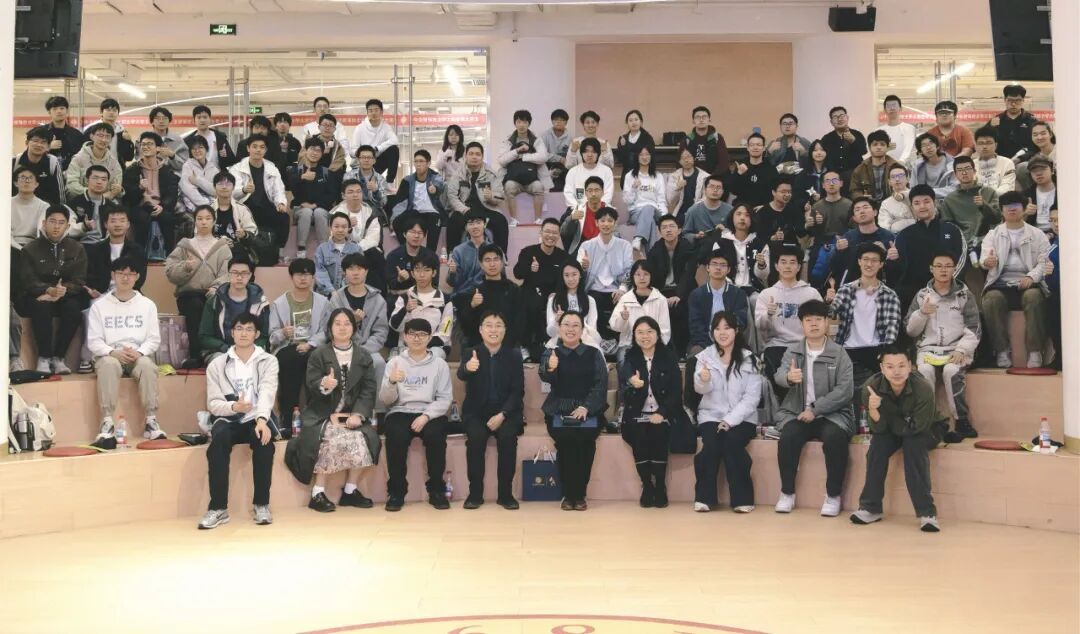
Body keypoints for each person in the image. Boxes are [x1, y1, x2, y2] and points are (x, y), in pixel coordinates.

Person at [850, 345, 948, 533]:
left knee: (913, 446)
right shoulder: (871, 387)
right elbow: (878, 430)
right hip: (894, 428)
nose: (896, 372)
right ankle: (870, 508)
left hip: (927, 427)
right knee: (876, 448)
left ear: (910, 366)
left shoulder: (923, 388)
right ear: (882, 368)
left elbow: (918, 427)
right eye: (890, 366)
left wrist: (889, 421)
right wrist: (873, 410)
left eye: (901, 366)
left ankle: (927, 513)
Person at [772, 300, 854, 517]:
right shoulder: (793, 351)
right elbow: (778, 376)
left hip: (832, 414)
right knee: (788, 437)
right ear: (802, 324)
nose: (814, 324)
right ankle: (787, 493)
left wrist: (815, 410)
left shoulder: (839, 353)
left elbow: (844, 391)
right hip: (797, 411)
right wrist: (788, 378)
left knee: (835, 439)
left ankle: (833, 496)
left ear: (827, 323)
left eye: (819, 319)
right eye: (809, 320)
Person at [293, 309, 379, 513]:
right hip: (321, 412)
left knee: (362, 438)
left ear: (354, 328)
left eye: (347, 323)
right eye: (337, 323)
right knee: (329, 438)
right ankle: (317, 493)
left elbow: (369, 389)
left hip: (352, 414)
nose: (342, 327)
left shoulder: (363, 356)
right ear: (330, 328)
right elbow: (311, 383)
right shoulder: (319, 354)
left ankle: (350, 491)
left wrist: (358, 414)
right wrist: (324, 383)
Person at [199, 312, 279, 530]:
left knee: (265, 442)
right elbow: (213, 404)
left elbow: (267, 392)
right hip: (228, 417)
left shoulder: (268, 361)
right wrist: (234, 407)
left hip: (255, 417)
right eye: (239, 328)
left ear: (257, 334)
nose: (244, 333)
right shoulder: (217, 364)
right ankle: (218, 508)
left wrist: (262, 419)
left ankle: (262, 504)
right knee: (218, 441)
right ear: (232, 333)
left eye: (249, 329)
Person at [86, 257, 166, 449]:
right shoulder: (99, 306)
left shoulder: (147, 304)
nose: (125, 278)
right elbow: (94, 341)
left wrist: (140, 352)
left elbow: (153, 339)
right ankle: (107, 422)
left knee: (147, 366)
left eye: (130, 274)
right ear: (113, 275)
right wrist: (112, 352)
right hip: (110, 355)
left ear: (137, 277)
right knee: (108, 365)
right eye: (121, 273)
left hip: (138, 354)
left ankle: (151, 421)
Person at [379, 318, 454, 511]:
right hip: (400, 410)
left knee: (436, 435)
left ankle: (436, 490)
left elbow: (445, 398)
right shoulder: (395, 362)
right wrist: (391, 382)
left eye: (422, 334)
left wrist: (426, 416)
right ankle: (396, 492)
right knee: (396, 435)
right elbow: (386, 400)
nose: (417, 338)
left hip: (429, 411)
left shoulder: (440, 365)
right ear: (404, 337)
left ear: (430, 338)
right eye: (412, 334)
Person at [906, 251, 981, 443]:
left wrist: (962, 349)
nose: (943, 270)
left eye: (948, 266)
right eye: (938, 266)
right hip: (927, 349)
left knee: (951, 371)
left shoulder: (964, 295)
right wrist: (922, 313)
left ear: (954, 269)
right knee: (924, 371)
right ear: (931, 269)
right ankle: (928, 421)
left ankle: (961, 421)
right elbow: (910, 331)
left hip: (956, 349)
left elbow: (974, 327)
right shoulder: (922, 295)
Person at [692, 311, 761, 513]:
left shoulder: (750, 359)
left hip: (743, 418)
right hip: (710, 415)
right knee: (711, 445)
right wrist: (703, 380)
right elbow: (700, 390)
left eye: (727, 328)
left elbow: (752, 398)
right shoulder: (704, 357)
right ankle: (704, 498)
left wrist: (730, 421)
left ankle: (742, 499)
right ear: (712, 332)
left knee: (732, 442)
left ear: (736, 330)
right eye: (717, 328)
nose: (722, 333)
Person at [539, 311, 608, 511]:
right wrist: (550, 368)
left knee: (585, 445)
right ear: (559, 328)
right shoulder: (551, 351)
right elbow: (545, 378)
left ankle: (580, 494)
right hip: (558, 408)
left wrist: (586, 407)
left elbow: (600, 384)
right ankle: (569, 494)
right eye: (566, 324)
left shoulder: (594, 353)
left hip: (588, 409)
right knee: (566, 443)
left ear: (582, 329)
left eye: (575, 325)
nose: (570, 329)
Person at [459, 311, 525, 510]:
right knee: (476, 439)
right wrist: (468, 368)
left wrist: (503, 415)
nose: (493, 330)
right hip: (476, 412)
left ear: (504, 330)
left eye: (498, 325)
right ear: (481, 330)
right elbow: (461, 374)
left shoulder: (514, 355)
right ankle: (475, 494)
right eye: (488, 325)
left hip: (506, 412)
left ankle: (505, 495)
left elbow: (518, 391)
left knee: (508, 438)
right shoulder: (471, 352)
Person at [618, 315, 684, 508]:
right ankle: (647, 485)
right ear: (634, 336)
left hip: (663, 413)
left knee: (659, 433)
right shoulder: (630, 356)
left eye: (649, 332)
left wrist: (662, 413)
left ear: (657, 334)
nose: (645, 336)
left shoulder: (669, 356)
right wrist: (632, 384)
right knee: (639, 437)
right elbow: (624, 389)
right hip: (637, 414)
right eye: (640, 332)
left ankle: (660, 485)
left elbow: (675, 392)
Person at [979, 191, 1051, 369]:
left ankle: (1035, 351)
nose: (1011, 209)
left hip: (1029, 284)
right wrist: (987, 262)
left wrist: (1031, 276)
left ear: (1024, 208)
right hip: (1000, 285)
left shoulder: (1037, 234)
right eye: (1007, 206)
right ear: (1002, 210)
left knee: (1034, 297)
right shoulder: (993, 235)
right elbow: (983, 259)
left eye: (1016, 205)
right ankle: (1002, 350)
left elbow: (1045, 262)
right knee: (991, 299)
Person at [829, 243, 901, 405]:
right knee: (845, 396)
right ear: (859, 262)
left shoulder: (889, 295)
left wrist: (884, 354)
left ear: (881, 264)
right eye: (866, 259)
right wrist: (828, 302)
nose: (869, 264)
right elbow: (830, 315)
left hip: (875, 350)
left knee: (873, 398)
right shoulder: (846, 290)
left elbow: (892, 329)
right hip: (847, 349)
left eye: (874, 260)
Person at [18, 205, 87, 374]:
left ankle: (59, 358)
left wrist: (62, 290)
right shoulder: (30, 249)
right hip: (37, 295)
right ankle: (44, 358)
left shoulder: (77, 248)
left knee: (73, 309)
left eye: (61, 223)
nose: (56, 226)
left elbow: (79, 280)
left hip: (65, 294)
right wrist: (48, 290)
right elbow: (27, 280)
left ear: (68, 226)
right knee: (41, 307)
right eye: (52, 222)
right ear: (44, 223)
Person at [80, 207, 148, 373]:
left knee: (144, 307)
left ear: (128, 224)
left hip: (129, 292)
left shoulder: (137, 250)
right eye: (113, 221)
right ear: (105, 224)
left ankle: (137, 352)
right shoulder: (96, 249)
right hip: (103, 293)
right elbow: (90, 275)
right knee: (92, 309)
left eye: (122, 220)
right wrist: (94, 290)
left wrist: (125, 291)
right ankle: (88, 357)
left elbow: (141, 276)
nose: (117, 224)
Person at [164, 205, 232, 368]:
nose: (204, 222)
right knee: (194, 305)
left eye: (208, 218)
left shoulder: (222, 247)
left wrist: (216, 288)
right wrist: (186, 266)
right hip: (188, 293)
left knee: (212, 305)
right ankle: (196, 354)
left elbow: (228, 273)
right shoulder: (184, 245)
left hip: (214, 293)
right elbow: (170, 271)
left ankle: (212, 351)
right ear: (195, 221)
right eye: (200, 219)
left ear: (214, 221)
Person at [268, 258, 330, 427]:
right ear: (291, 277)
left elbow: (325, 331)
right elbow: (272, 335)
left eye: (307, 274)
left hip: (313, 347)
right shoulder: (279, 303)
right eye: (299, 274)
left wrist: (310, 344)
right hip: (287, 347)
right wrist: (283, 333)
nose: (303, 278)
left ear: (313, 277)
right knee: (290, 360)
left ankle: (316, 417)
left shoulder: (323, 302)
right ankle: (288, 417)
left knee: (315, 359)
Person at [889, 184, 966, 309]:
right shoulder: (904, 235)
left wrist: (943, 286)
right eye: (917, 203)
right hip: (913, 295)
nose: (922, 206)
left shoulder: (952, 230)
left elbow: (961, 261)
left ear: (934, 203)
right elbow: (898, 272)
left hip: (947, 291)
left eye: (926, 201)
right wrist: (892, 259)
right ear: (912, 207)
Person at [328, 252, 390, 403]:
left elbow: (381, 331)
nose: (355, 273)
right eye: (351, 268)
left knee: (379, 363)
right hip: (341, 347)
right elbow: (330, 329)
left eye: (360, 268)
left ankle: (378, 411)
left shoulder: (378, 299)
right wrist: (353, 322)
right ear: (344, 273)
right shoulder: (336, 298)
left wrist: (364, 350)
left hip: (368, 349)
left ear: (366, 271)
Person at [755, 244, 821, 385]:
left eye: (792, 262)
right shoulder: (767, 294)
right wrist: (768, 314)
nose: (788, 266)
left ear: (798, 267)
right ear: (776, 266)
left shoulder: (811, 294)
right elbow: (760, 326)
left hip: (805, 345)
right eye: (783, 262)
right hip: (776, 346)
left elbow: (822, 323)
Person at [514, 219, 572, 358]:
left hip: (553, 294)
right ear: (540, 232)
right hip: (531, 290)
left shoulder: (563, 256)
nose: (551, 235)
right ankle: (525, 345)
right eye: (547, 231)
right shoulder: (528, 252)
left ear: (558, 235)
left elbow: (566, 280)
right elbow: (517, 274)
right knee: (529, 302)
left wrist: (556, 293)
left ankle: (554, 344)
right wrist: (530, 268)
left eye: (554, 233)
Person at [577, 206, 633, 349]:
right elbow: (576, 272)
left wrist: (622, 289)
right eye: (602, 221)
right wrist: (583, 267)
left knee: (624, 302)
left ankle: (619, 343)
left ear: (615, 223)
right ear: (596, 223)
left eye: (610, 221)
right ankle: (601, 341)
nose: (606, 224)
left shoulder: (625, 245)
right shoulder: (586, 245)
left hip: (616, 289)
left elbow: (629, 270)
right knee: (593, 301)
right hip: (593, 289)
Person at [198, 255, 270, 365]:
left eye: (244, 273)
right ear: (228, 274)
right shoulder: (214, 301)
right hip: (220, 351)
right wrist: (225, 348)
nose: (239, 277)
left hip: (251, 351)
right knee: (224, 363)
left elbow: (264, 336)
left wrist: (249, 350)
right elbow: (204, 336)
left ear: (250, 275)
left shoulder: (261, 303)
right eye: (235, 273)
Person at [229, 134, 289, 263]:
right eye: (254, 146)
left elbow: (279, 190)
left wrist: (280, 203)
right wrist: (244, 190)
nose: (258, 150)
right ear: (248, 148)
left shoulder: (272, 168)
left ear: (266, 150)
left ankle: (279, 251)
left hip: (266, 206)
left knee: (284, 217)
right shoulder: (237, 168)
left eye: (262, 147)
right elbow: (232, 193)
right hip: (245, 207)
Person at [645, 214, 698, 356]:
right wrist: (660, 296)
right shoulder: (655, 250)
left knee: (680, 309)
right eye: (664, 227)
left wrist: (679, 295)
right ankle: (664, 351)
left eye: (672, 226)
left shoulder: (688, 248)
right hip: (662, 291)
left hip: (683, 290)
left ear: (679, 230)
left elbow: (688, 274)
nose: (668, 230)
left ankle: (682, 352)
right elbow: (652, 277)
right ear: (659, 232)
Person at [455, 245, 523, 350]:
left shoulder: (513, 290)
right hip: (481, 346)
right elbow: (466, 327)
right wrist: (472, 306)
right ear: (481, 264)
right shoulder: (475, 292)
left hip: (508, 345)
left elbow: (520, 322)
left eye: (496, 259)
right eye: (487, 260)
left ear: (502, 262)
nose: (492, 264)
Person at [123, 132, 179, 257]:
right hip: (140, 205)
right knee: (142, 219)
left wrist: (163, 206)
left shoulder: (166, 170)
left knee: (169, 219)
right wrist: (139, 188)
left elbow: (172, 193)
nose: (145, 147)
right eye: (143, 144)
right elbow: (128, 197)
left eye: (149, 144)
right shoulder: (132, 170)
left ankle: (169, 257)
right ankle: (139, 256)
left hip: (161, 205)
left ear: (158, 148)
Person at [445, 142, 508, 253]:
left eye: (478, 154)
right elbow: (452, 196)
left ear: (482, 157)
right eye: (471, 154)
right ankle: (452, 257)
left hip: (487, 209)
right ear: (466, 156)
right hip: (465, 209)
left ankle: (501, 257)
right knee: (453, 222)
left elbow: (500, 196)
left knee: (501, 221)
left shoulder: (491, 174)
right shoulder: (458, 174)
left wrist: (491, 196)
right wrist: (463, 209)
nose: (474, 157)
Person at [389, 251, 453, 358]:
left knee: (433, 357)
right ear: (412, 273)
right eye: (418, 270)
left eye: (426, 270)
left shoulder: (446, 301)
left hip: (435, 347)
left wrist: (422, 344)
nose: (422, 275)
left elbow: (445, 332)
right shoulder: (405, 297)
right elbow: (394, 326)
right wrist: (405, 310)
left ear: (434, 273)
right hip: (407, 346)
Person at [608, 261, 671, 364]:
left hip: (654, 345)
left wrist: (653, 345)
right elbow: (615, 326)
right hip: (629, 344)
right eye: (638, 274)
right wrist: (623, 319)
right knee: (624, 362)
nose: (642, 278)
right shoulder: (625, 299)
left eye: (646, 274)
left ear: (651, 276)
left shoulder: (660, 299)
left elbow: (665, 330)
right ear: (632, 277)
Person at [688, 250, 749, 354]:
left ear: (729, 270)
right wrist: (712, 347)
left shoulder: (738, 294)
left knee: (747, 358)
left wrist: (725, 342)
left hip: (732, 342)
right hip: (704, 343)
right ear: (708, 268)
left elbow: (740, 322)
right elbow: (696, 327)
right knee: (695, 354)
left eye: (723, 265)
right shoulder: (697, 295)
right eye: (714, 264)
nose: (718, 268)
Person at [287, 138, 338, 259]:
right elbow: (290, 188)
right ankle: (301, 248)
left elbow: (332, 194)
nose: (315, 153)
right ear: (305, 150)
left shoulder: (326, 172)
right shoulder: (296, 170)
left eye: (318, 150)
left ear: (322, 153)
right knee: (306, 212)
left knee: (319, 212)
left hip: (321, 209)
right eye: (312, 149)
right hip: (300, 209)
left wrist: (315, 205)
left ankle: (324, 248)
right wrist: (302, 178)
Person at [829, 197, 896, 287]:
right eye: (857, 209)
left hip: (881, 287)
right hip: (852, 287)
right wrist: (838, 250)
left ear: (875, 212)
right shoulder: (848, 237)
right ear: (854, 218)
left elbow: (897, 269)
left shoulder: (888, 237)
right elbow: (834, 267)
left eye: (865, 207)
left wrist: (890, 257)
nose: (862, 211)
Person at [938, 155, 1001, 248]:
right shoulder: (950, 199)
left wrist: (984, 206)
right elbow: (948, 226)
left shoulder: (988, 192)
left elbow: (997, 219)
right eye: (960, 170)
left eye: (967, 168)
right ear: (955, 174)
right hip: (962, 244)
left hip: (988, 242)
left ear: (974, 171)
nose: (964, 173)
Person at [389, 149, 446, 251]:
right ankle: (407, 251)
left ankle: (429, 255)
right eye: (416, 161)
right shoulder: (407, 180)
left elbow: (440, 184)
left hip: (433, 212)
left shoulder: (435, 177)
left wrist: (435, 189)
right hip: (415, 212)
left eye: (421, 161)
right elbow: (400, 202)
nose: (418, 164)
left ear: (428, 163)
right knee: (397, 222)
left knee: (434, 224)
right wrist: (393, 219)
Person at [331, 179, 384, 276]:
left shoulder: (371, 213)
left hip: (366, 251)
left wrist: (356, 249)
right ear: (343, 195)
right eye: (350, 192)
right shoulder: (336, 215)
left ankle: (376, 286)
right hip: (343, 252)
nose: (355, 195)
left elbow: (373, 239)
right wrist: (346, 228)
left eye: (358, 191)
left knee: (374, 253)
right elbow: (332, 240)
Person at [385, 219, 439, 313]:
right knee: (390, 301)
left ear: (424, 236)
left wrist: (410, 288)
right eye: (413, 232)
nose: (416, 236)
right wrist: (399, 279)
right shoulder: (393, 256)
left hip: (424, 294)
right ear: (404, 234)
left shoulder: (431, 256)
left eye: (420, 233)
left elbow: (434, 284)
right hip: (400, 297)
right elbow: (391, 286)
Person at [547, 260, 602, 350]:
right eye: (566, 275)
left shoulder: (590, 300)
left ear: (580, 275)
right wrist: (556, 321)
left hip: (584, 340)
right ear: (562, 277)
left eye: (574, 274)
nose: (571, 279)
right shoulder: (554, 300)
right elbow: (551, 333)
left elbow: (592, 329)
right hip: (560, 340)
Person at [622, 145, 666, 255]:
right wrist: (633, 188)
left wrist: (665, 218)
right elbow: (627, 201)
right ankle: (652, 256)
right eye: (641, 154)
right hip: (636, 213)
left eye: (647, 154)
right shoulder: (630, 176)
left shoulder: (658, 176)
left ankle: (638, 238)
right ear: (637, 157)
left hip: (655, 212)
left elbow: (661, 199)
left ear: (651, 157)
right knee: (650, 221)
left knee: (649, 207)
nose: (644, 157)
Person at [65, 122, 124, 199]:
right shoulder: (78, 159)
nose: (103, 140)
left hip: (106, 202)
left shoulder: (114, 162)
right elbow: (71, 186)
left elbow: (116, 187)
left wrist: (118, 190)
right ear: (91, 136)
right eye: (100, 135)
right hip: (82, 200)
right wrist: (95, 195)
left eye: (107, 136)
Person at [12, 126, 66, 205]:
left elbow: (60, 195)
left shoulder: (53, 163)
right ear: (27, 143)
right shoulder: (14, 162)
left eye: (43, 142)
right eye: (35, 141)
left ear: (48, 147)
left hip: (44, 208)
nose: (39, 145)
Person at [559, 175, 611, 256]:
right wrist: (571, 219)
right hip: (582, 251)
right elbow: (563, 233)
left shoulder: (610, 211)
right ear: (585, 193)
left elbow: (615, 235)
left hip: (604, 249)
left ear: (603, 192)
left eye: (597, 190)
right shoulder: (577, 210)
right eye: (590, 190)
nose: (593, 194)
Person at [352, 99, 400, 182]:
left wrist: (378, 148)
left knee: (394, 149)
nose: (373, 113)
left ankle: (389, 182)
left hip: (376, 162)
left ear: (381, 112)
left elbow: (395, 140)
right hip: (362, 163)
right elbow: (352, 151)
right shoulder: (359, 128)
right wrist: (363, 154)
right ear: (367, 113)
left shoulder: (386, 127)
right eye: (370, 111)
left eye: (376, 110)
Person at [313, 212, 360, 297]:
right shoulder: (322, 249)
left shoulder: (356, 249)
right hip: (325, 295)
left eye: (344, 227)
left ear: (349, 228)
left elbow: (360, 272)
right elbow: (319, 272)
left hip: (349, 294)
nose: (340, 230)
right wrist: (332, 291)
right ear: (330, 228)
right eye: (336, 226)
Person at [987, 84, 1039, 160]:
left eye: (1018, 100)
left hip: (1025, 161)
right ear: (1005, 100)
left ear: (1023, 100)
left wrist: (1022, 158)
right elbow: (984, 140)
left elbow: (1038, 145)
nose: (1013, 104)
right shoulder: (995, 121)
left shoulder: (1032, 121)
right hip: (1000, 161)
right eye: (1010, 100)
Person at [849, 130, 903, 203]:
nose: (879, 147)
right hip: (869, 205)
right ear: (869, 147)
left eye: (882, 144)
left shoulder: (896, 167)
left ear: (887, 147)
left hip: (892, 203)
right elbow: (854, 190)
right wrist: (863, 198)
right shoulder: (860, 169)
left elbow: (905, 187)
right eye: (875, 144)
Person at [820, 106, 867, 186]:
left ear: (847, 118)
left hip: (855, 177)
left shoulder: (857, 134)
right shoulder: (826, 138)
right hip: (834, 179)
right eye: (835, 117)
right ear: (831, 122)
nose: (839, 119)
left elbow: (864, 151)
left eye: (842, 116)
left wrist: (853, 141)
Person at [344, 145, 392, 225]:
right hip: (353, 207)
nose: (366, 160)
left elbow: (383, 202)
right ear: (358, 160)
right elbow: (345, 197)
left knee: (374, 215)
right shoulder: (349, 176)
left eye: (369, 157)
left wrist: (376, 191)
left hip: (373, 210)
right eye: (363, 157)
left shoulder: (380, 179)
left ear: (374, 160)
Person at [563, 137, 614, 210]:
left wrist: (597, 207)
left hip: (601, 209)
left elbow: (608, 194)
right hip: (578, 210)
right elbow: (568, 194)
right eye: (586, 151)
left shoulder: (606, 171)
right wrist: (579, 208)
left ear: (598, 154)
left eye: (593, 152)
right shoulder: (573, 171)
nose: (589, 154)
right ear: (581, 153)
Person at [82, 98, 135, 166]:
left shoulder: (122, 132)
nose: (111, 112)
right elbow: (83, 152)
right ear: (101, 112)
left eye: (114, 110)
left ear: (118, 113)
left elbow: (129, 157)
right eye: (108, 110)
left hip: (117, 169)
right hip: (95, 168)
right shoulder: (91, 131)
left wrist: (129, 142)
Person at [730, 133, 778, 208]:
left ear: (764, 148)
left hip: (764, 208)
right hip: (744, 209)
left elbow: (775, 192)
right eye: (752, 145)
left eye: (759, 145)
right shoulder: (741, 166)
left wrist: (765, 207)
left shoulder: (771, 168)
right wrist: (739, 174)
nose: (755, 147)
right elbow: (734, 191)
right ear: (747, 148)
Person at [209, 171, 259, 243]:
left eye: (228, 184)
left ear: (233, 187)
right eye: (220, 184)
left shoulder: (242, 209)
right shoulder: (208, 209)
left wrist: (244, 234)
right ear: (214, 187)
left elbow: (253, 232)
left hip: (237, 247)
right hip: (213, 247)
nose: (224, 187)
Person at [681, 174, 732, 243]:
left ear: (723, 191)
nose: (715, 190)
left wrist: (725, 231)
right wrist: (696, 236)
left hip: (724, 246)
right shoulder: (693, 210)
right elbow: (685, 234)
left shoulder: (730, 210)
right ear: (705, 190)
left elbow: (737, 233)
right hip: (701, 246)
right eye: (711, 186)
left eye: (718, 187)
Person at [683, 106, 730, 177]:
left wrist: (711, 177)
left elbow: (723, 163)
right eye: (698, 117)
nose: (701, 120)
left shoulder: (717, 138)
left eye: (704, 117)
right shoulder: (687, 139)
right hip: (693, 178)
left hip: (713, 178)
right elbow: (681, 163)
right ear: (693, 121)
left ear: (709, 120)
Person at [666, 147, 708, 224]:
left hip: (698, 212)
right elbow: (670, 200)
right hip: (679, 212)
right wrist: (678, 188)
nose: (686, 160)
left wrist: (691, 211)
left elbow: (706, 198)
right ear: (679, 161)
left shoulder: (704, 176)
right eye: (683, 158)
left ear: (694, 158)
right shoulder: (674, 176)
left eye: (688, 156)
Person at [11, 166, 50, 248]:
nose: (27, 181)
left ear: (36, 184)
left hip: (34, 246)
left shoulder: (44, 206)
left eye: (30, 178)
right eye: (23, 178)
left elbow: (41, 233)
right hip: (9, 244)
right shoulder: (7, 203)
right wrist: (20, 249)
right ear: (15, 183)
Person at [43, 96, 86, 169]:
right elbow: (30, 153)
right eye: (55, 109)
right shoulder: (41, 132)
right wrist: (48, 147)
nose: (59, 111)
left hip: (71, 173)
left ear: (67, 111)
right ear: (49, 112)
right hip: (46, 172)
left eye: (62, 108)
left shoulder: (77, 135)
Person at [179, 135, 219, 213]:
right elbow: (189, 191)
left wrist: (198, 181)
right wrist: (206, 205)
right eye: (194, 148)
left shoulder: (214, 168)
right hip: (194, 207)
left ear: (206, 149)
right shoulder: (187, 166)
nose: (197, 151)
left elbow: (216, 191)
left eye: (200, 147)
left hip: (212, 206)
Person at [615, 110, 656, 185]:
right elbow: (620, 159)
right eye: (630, 120)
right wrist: (622, 146)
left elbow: (652, 158)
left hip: (643, 176)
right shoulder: (623, 138)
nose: (633, 122)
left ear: (641, 122)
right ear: (627, 123)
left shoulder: (648, 138)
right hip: (627, 176)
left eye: (636, 119)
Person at [973, 127, 1017, 197]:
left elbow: (1007, 188)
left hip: (1001, 200)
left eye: (989, 143)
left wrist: (988, 196)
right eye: (981, 143)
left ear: (996, 145)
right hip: (976, 200)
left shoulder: (1007, 163)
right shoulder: (971, 165)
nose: (984, 147)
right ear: (975, 146)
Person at [191, 105, 237, 169]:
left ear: (210, 119)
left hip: (217, 174)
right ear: (194, 120)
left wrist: (225, 156)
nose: (202, 120)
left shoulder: (220, 137)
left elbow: (232, 161)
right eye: (199, 117)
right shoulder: (189, 140)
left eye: (205, 117)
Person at [877, 95, 917, 168]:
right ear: (884, 110)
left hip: (905, 167)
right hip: (885, 168)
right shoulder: (879, 131)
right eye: (889, 106)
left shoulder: (909, 128)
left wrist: (901, 162)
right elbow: (876, 151)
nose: (892, 108)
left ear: (900, 109)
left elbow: (908, 148)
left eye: (894, 105)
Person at [913, 133, 957, 200]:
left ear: (937, 146)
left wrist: (930, 192)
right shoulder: (918, 166)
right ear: (920, 151)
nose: (928, 147)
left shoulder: (952, 163)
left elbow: (955, 188)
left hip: (949, 200)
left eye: (931, 143)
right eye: (924, 145)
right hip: (926, 201)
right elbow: (913, 188)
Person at [147, 106, 188, 175]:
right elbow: (138, 159)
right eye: (157, 118)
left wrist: (172, 156)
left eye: (165, 118)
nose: (161, 121)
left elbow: (184, 164)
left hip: (172, 177)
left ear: (169, 121)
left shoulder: (177, 140)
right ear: (152, 122)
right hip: (150, 176)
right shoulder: (145, 139)